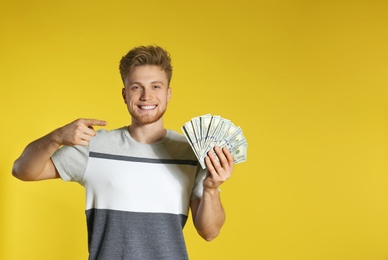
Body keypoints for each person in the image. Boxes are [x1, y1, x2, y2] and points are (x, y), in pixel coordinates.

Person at [12, 45, 234, 260]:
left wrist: (211, 189)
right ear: (124, 94)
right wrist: (56, 136)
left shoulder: (191, 152)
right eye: (137, 87)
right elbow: (22, 170)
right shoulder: (94, 146)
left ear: (168, 93)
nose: (146, 96)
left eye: (156, 86)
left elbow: (209, 232)